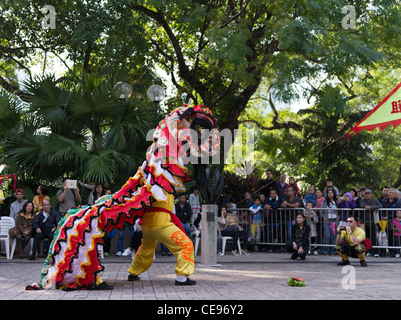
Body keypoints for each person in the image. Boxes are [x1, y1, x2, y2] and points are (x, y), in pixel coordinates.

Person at [357, 188, 382, 257]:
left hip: (373, 222)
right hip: (365, 222)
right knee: (367, 238)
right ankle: (369, 251)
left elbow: (380, 205)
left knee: (374, 237)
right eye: (366, 194)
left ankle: (376, 251)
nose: (367, 195)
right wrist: (365, 207)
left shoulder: (375, 200)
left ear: (371, 194)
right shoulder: (362, 200)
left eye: (369, 194)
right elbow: (361, 206)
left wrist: (371, 207)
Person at [264, 188, 283, 252]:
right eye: (271, 193)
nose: (272, 195)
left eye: (273, 193)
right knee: (270, 234)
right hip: (270, 219)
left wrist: (271, 206)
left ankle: (278, 248)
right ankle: (270, 248)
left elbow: (277, 206)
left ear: (276, 193)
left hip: (278, 219)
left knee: (278, 234)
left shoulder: (280, 199)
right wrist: (266, 206)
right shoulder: (268, 199)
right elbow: (265, 205)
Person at [321, 188, 338, 255]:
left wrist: (338, 218)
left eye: (331, 193)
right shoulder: (324, 202)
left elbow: (340, 211)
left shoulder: (337, 202)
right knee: (327, 236)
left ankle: (333, 251)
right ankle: (326, 251)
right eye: (329, 193)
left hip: (335, 220)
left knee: (334, 236)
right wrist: (324, 217)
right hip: (327, 221)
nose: (330, 194)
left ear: (334, 194)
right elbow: (321, 211)